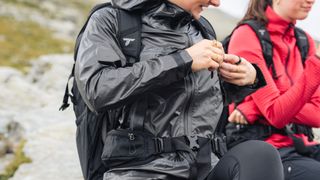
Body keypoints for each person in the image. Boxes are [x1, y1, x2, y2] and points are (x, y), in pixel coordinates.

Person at [75, 0, 284, 179]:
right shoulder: (111, 20)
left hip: (204, 167)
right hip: (140, 169)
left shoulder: (201, 29)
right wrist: (183, 60)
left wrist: (245, 79)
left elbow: (196, 102)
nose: (216, 3)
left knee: (261, 154)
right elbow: (97, 90)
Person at [227, 0, 320, 179]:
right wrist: (315, 67)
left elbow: (317, 114)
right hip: (264, 147)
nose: (312, 1)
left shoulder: (304, 41)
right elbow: (276, 114)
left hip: (300, 143)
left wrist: (254, 109)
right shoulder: (247, 35)